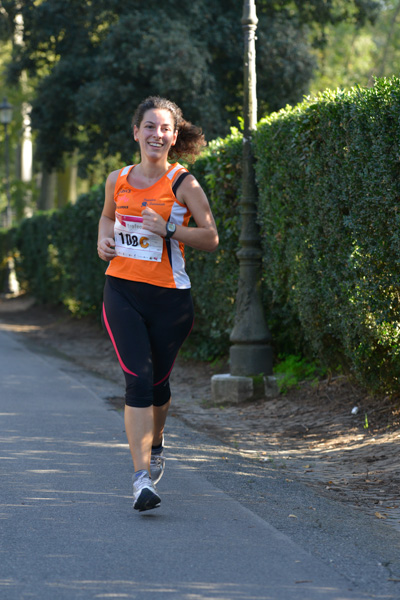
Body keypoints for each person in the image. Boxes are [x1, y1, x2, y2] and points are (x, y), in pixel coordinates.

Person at [97, 96, 219, 512]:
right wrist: (103, 240)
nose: (156, 134)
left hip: (170, 299)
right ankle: (140, 478)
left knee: (158, 385)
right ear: (136, 132)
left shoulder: (184, 184)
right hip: (122, 291)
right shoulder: (118, 179)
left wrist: (169, 228)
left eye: (164, 128)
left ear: (173, 135)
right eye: (149, 126)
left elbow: (211, 238)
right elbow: (108, 217)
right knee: (137, 379)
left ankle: (159, 440)